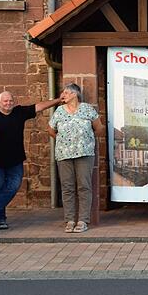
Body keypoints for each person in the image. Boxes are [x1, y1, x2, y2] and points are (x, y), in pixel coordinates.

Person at [0, 91, 61, 230]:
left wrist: (58, 100)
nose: (8, 103)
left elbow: (40, 107)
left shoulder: (19, 112)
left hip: (16, 161)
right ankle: (0, 219)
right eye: (5, 101)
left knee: (13, 186)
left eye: (10, 101)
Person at [48, 83, 104, 233]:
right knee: (67, 187)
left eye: (66, 93)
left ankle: (83, 220)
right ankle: (70, 220)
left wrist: (87, 140)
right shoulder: (59, 111)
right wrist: (63, 141)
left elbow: (99, 128)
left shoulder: (87, 109)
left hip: (84, 153)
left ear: (74, 94)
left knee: (84, 186)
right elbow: (51, 130)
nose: (63, 95)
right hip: (64, 154)